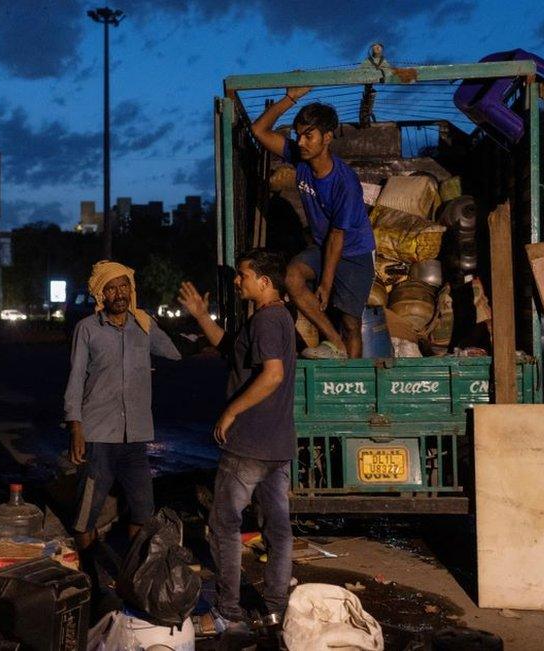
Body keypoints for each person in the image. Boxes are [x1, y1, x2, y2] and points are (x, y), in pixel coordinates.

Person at [178, 249, 297, 632]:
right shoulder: (276, 318)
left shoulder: (266, 320)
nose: (236, 280)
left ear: (263, 282)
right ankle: (276, 609)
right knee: (277, 528)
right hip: (276, 445)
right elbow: (232, 350)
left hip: (248, 443)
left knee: (225, 524)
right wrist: (200, 315)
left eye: (242, 275)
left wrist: (231, 411)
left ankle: (229, 610)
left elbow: (272, 375)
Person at [63, 261, 181, 583]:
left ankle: (134, 575)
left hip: (136, 437)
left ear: (131, 289)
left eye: (124, 286)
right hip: (98, 435)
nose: (119, 293)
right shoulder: (87, 329)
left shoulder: (143, 325)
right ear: (102, 294)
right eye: (111, 288)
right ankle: (90, 575)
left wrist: (189, 325)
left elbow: (175, 352)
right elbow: (75, 380)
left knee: (143, 511)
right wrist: (76, 426)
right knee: (86, 514)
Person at [251, 88, 375, 359]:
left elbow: (337, 236)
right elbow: (259, 130)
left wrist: (326, 284)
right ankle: (334, 344)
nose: (302, 142)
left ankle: (353, 383)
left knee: (351, 323)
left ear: (327, 138)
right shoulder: (301, 159)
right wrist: (291, 97)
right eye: (298, 135)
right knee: (291, 277)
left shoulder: (345, 183)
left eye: (309, 135)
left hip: (354, 253)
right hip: (322, 246)